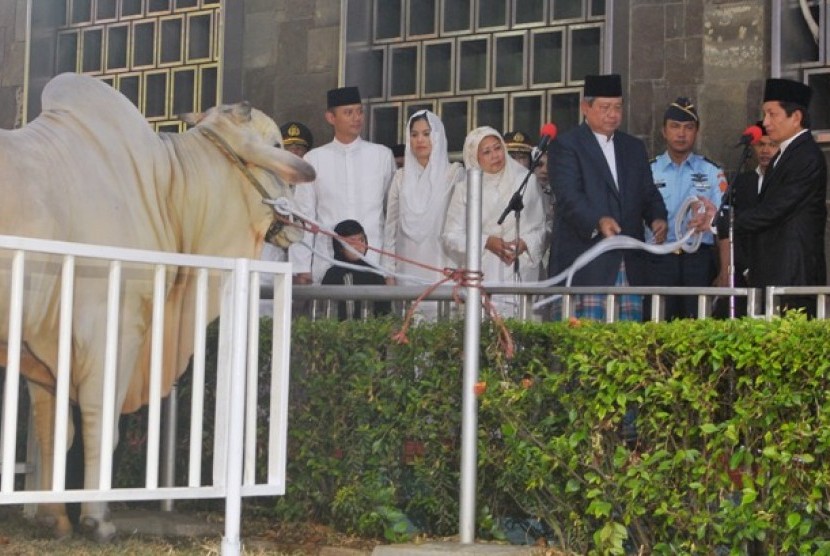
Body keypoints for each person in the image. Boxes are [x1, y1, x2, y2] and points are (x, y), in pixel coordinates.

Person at [696, 78, 827, 315]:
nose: (765, 122)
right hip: (772, 273)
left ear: (796, 118)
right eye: (764, 114)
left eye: (772, 114)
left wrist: (722, 222)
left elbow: (775, 210)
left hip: (794, 276)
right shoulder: (784, 156)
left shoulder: (806, 157)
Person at [547, 74, 668, 321]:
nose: (612, 114)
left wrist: (657, 217)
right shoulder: (566, 145)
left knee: (627, 347)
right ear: (585, 107)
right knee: (584, 349)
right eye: (604, 108)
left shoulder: (632, 147)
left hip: (629, 264)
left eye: (617, 107)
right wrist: (598, 221)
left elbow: (647, 191)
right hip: (586, 264)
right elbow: (569, 196)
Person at [289, 86, 396, 284]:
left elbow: (392, 217)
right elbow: (303, 217)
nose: (357, 118)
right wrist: (301, 267)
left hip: (374, 261)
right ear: (331, 117)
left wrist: (390, 268)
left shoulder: (382, 155)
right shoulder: (314, 159)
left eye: (359, 111)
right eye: (348, 113)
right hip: (328, 261)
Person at [442, 126, 548, 317]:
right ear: (475, 157)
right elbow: (451, 237)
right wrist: (486, 242)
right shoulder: (465, 189)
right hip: (482, 276)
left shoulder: (526, 181)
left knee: (522, 336)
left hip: (522, 274)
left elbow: (543, 229)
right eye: (487, 152)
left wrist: (524, 243)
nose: (495, 155)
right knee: (483, 339)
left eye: (497, 148)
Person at [646, 97, 727, 320]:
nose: (681, 134)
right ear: (664, 131)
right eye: (675, 127)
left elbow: (725, 223)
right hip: (658, 259)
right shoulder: (648, 171)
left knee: (697, 325)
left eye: (688, 128)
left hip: (698, 262)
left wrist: (724, 271)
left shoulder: (712, 172)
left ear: (697, 132)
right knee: (656, 328)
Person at [382, 110, 463, 319]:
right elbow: (390, 227)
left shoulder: (454, 174)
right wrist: (388, 273)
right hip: (406, 268)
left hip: (444, 267)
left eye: (427, 134)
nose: (420, 140)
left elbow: (462, 226)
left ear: (437, 136)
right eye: (415, 134)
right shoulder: (401, 178)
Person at [713, 122, 778, 317]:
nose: (765, 150)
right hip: (742, 266)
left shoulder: (784, 181)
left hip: (776, 267)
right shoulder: (742, 182)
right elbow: (726, 224)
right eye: (761, 145)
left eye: (772, 145)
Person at [322, 219, 391, 320]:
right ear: (339, 246)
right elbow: (325, 311)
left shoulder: (373, 273)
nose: (359, 246)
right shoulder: (332, 275)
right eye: (352, 242)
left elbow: (384, 312)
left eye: (362, 240)